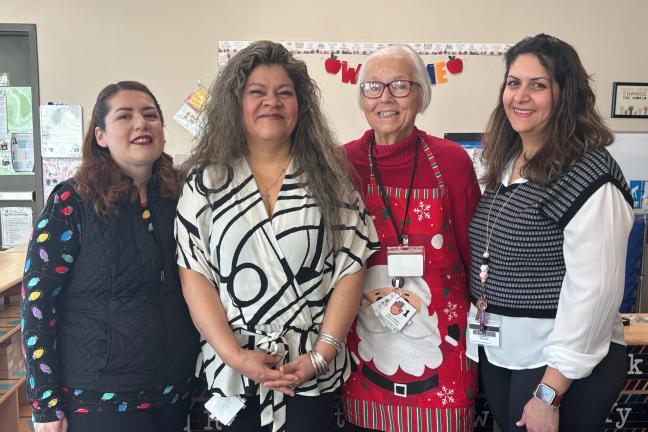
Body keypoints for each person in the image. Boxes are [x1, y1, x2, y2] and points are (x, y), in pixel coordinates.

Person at [174, 40, 379, 432]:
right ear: (236, 104)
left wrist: (321, 355)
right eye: (257, 92)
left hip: (309, 370)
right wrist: (235, 356)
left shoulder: (331, 182)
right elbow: (194, 275)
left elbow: (351, 268)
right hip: (233, 372)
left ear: (301, 106)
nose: (272, 101)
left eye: (284, 93)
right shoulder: (205, 183)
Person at [466, 34, 635, 432]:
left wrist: (549, 392)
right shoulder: (507, 163)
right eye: (513, 83)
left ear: (565, 94)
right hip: (506, 353)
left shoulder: (590, 175)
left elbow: (592, 293)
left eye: (538, 85)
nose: (520, 96)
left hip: (557, 367)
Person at [21, 81, 199, 432]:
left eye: (150, 115)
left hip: (174, 390)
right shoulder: (71, 201)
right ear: (100, 136)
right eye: (125, 116)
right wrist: (45, 403)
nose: (141, 124)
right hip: (100, 397)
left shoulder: (183, 198)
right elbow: (37, 304)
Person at [342, 44, 481, 432]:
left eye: (400, 85)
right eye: (373, 86)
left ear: (421, 94)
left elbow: (474, 254)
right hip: (364, 355)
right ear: (362, 98)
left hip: (444, 351)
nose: (385, 97)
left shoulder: (452, 162)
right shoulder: (341, 163)